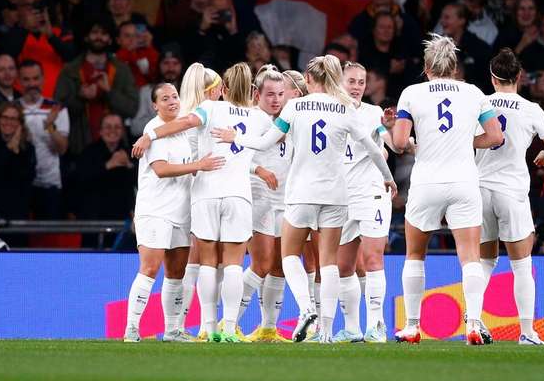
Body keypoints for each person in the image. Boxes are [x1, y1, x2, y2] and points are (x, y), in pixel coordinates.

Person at [211, 56, 395, 344]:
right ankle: (325, 332)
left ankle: (307, 307)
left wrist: (236, 136)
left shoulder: (295, 106)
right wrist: (388, 177)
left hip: (301, 194)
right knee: (329, 262)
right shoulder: (346, 107)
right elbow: (373, 149)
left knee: (288, 256)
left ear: (308, 79)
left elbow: (263, 142)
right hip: (337, 194)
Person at [132, 63, 271, 343]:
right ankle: (230, 328)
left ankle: (209, 328)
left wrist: (151, 134)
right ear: (253, 91)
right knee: (233, 264)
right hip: (238, 195)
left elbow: (184, 123)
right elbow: (271, 143)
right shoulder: (260, 118)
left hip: (206, 192)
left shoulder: (211, 107)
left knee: (207, 262)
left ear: (224, 89)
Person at [391, 34, 504, 345]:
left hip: (426, 182)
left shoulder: (411, 93)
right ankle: (474, 323)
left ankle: (412, 327)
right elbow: (495, 137)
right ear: (455, 69)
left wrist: (417, 144)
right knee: (469, 257)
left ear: (427, 68)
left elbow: (399, 143)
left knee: (415, 255)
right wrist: (466, 142)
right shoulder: (473, 93)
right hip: (464, 182)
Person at [123, 83, 225, 343]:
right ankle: (132, 327)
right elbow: (160, 169)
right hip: (155, 210)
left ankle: (172, 330)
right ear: (154, 105)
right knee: (149, 268)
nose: (172, 101)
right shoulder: (152, 130)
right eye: (165, 98)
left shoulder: (181, 129)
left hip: (181, 211)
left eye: (175, 96)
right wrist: (199, 165)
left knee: (176, 273)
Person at [474, 49, 544, 346]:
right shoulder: (531, 109)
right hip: (512, 191)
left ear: (492, 77)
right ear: (519, 77)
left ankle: (473, 320)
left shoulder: (478, 104)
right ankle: (526, 332)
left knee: (484, 261)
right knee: (521, 264)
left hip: (480, 189)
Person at [335, 62, 401, 343]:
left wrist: (392, 129)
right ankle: (352, 328)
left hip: (372, 192)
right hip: (339, 196)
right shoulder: (331, 112)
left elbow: (393, 145)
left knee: (373, 258)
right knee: (343, 266)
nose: (357, 86)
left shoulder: (374, 113)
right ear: (340, 83)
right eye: (351, 81)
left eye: (361, 82)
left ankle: (376, 325)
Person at [236, 66, 296, 343]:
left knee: (279, 266)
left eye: (280, 94)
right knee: (260, 263)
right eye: (270, 94)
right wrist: (260, 170)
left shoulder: (288, 120)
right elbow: (235, 156)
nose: (275, 100)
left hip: (285, 200)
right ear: (257, 94)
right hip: (259, 197)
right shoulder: (251, 119)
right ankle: (229, 325)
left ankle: (268, 328)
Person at [54, 18, 138, 154]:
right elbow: (58, 111)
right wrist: (81, 98)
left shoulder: (122, 70)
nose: (99, 37)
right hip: (80, 145)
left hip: (116, 146)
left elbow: (132, 109)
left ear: (111, 39)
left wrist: (110, 93)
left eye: (104, 33)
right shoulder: (70, 70)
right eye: (94, 32)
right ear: (86, 37)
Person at [18, 60, 69, 220]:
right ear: (19, 81)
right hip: (19, 182)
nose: (31, 84)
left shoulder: (57, 108)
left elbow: (62, 149)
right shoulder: (11, 109)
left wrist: (50, 126)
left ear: (42, 79)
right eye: (26, 79)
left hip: (49, 182)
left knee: (47, 237)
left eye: (35, 78)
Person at [131, 44, 184, 136]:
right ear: (159, 65)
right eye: (166, 63)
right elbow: (135, 127)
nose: (171, 68)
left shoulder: (189, 91)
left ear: (181, 66)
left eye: (175, 63)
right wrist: (162, 122)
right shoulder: (146, 91)